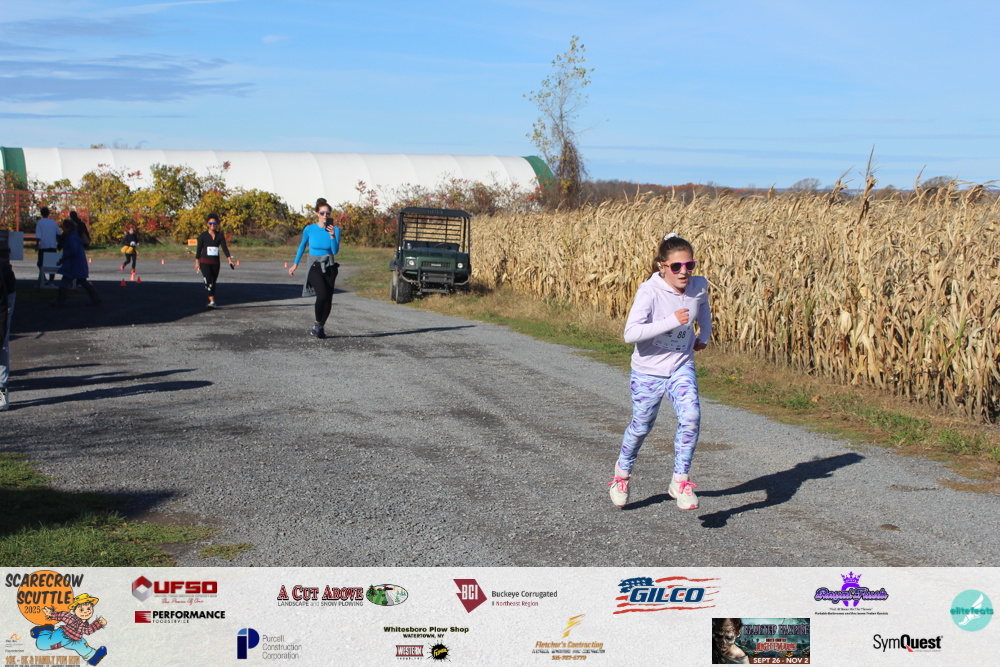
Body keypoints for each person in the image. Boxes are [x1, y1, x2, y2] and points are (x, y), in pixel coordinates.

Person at [608, 232, 711, 510]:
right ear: (662, 266)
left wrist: (704, 334)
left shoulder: (698, 286)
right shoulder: (649, 291)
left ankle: (680, 480)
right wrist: (670, 321)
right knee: (642, 426)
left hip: (681, 366)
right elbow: (631, 334)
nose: (684, 272)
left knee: (691, 417)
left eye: (689, 265)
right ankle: (621, 475)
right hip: (648, 371)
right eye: (676, 266)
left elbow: (703, 308)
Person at [288, 197, 341, 338]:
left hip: (329, 266)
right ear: (317, 213)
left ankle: (320, 327)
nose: (325, 216)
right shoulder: (309, 229)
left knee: (328, 299)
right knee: (322, 295)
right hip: (315, 266)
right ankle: (317, 322)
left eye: (328, 213)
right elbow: (302, 246)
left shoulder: (335, 230)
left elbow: (335, 251)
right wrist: (295, 264)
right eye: (322, 213)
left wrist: (332, 236)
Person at [31, 593, 108, 666]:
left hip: (75, 640)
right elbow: (62, 615)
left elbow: (87, 629)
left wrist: (99, 623)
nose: (86, 612)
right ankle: (43, 631)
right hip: (62, 635)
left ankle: (93, 657)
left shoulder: (85, 624)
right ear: (75, 610)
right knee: (42, 644)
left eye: (88, 608)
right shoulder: (72, 619)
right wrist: (51, 614)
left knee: (82, 645)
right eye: (81, 610)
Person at [52, 219, 101, 307]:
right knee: (82, 280)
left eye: (64, 228)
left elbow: (73, 250)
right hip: (77, 263)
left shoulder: (72, 238)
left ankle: (60, 300)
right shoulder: (74, 236)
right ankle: (95, 298)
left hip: (73, 264)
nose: (63, 230)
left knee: (65, 281)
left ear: (69, 228)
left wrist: (63, 258)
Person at [194, 213, 235, 308]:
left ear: (217, 224)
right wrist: (197, 262)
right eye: (210, 223)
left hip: (215, 263)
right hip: (205, 262)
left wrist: (230, 260)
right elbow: (199, 250)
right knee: (209, 282)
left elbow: (225, 248)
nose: (212, 225)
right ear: (207, 224)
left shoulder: (220, 236)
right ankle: (212, 301)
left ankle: (212, 299)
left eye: (214, 223)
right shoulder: (203, 236)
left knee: (213, 282)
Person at [0, 257, 13, 412]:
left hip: (5, 294)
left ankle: (1, 388)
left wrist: (0, 334)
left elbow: (2, 306)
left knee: (1, 344)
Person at [35, 206, 60, 286]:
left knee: (40, 263)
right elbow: (58, 233)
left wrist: (37, 245)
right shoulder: (53, 222)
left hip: (43, 246)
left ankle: (43, 278)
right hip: (52, 245)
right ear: (48, 213)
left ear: (41, 213)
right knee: (52, 263)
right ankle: (51, 281)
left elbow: (38, 236)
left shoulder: (40, 222)